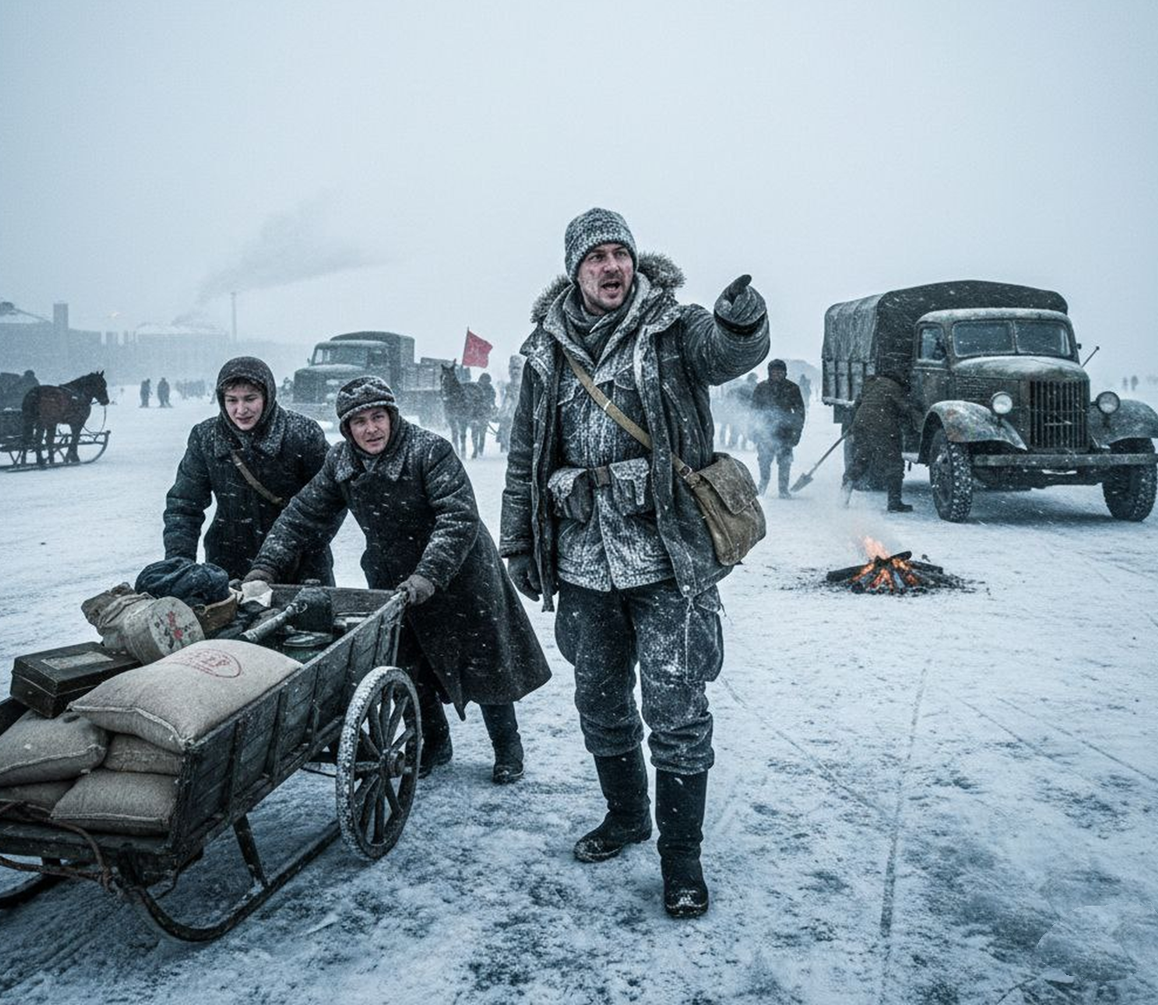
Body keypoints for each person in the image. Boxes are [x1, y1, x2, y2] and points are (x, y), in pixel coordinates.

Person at [500, 207, 769, 918]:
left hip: (667, 559)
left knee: (677, 709)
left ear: (635, 263)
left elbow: (726, 352)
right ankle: (626, 816)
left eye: (620, 253)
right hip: (584, 563)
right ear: (575, 271)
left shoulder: (672, 329)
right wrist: (521, 544)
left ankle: (681, 862)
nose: (611, 267)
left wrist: (742, 322)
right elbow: (525, 455)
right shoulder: (542, 351)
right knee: (599, 701)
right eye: (596, 258)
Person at [246, 376, 550, 783]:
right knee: (410, 663)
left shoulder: (430, 450)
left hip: (462, 574)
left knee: (485, 660)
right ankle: (434, 744)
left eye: (378, 417)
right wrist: (265, 568)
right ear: (346, 429)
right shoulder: (341, 464)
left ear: (392, 416)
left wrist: (429, 574)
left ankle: (507, 748)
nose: (371, 429)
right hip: (394, 580)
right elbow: (301, 517)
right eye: (359, 422)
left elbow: (457, 518)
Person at [162, 355, 337, 584]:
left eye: (250, 398)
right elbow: (184, 505)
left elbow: (330, 502)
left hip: (301, 566)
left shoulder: (302, 434)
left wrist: (294, 549)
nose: (240, 409)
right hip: (228, 563)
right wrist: (179, 561)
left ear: (267, 396)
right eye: (231, 400)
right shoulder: (206, 437)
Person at [841, 370, 914, 512]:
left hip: (861, 424)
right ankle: (894, 503)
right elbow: (905, 408)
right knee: (894, 464)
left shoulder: (871, 385)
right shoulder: (894, 387)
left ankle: (843, 499)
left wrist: (853, 425)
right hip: (883, 426)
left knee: (861, 460)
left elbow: (857, 405)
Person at [750, 359, 805, 497]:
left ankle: (783, 489)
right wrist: (754, 430)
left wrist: (796, 432)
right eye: (774, 371)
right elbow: (753, 411)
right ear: (769, 372)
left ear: (785, 373)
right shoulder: (761, 387)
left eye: (780, 371)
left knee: (785, 462)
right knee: (764, 460)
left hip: (785, 432)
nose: (777, 374)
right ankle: (762, 487)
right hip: (765, 432)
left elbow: (799, 413)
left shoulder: (792, 388)